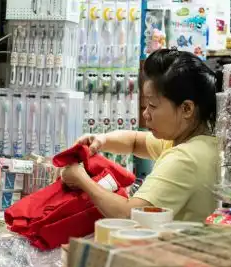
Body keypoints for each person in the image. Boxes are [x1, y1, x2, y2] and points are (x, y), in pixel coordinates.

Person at [61, 49, 219, 222]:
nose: (146, 114)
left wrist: (81, 179)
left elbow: (130, 215)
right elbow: (135, 141)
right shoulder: (200, 143)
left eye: (152, 105)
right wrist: (101, 140)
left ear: (186, 109)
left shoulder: (185, 159)